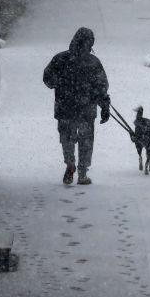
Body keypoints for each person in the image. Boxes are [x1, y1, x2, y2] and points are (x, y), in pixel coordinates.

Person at [43, 27, 110, 185]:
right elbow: (101, 86)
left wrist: (61, 84)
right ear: (90, 43)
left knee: (67, 138)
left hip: (65, 107)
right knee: (86, 140)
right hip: (86, 109)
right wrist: (104, 105)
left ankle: (70, 163)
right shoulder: (93, 62)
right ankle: (82, 173)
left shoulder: (60, 59)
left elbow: (47, 78)